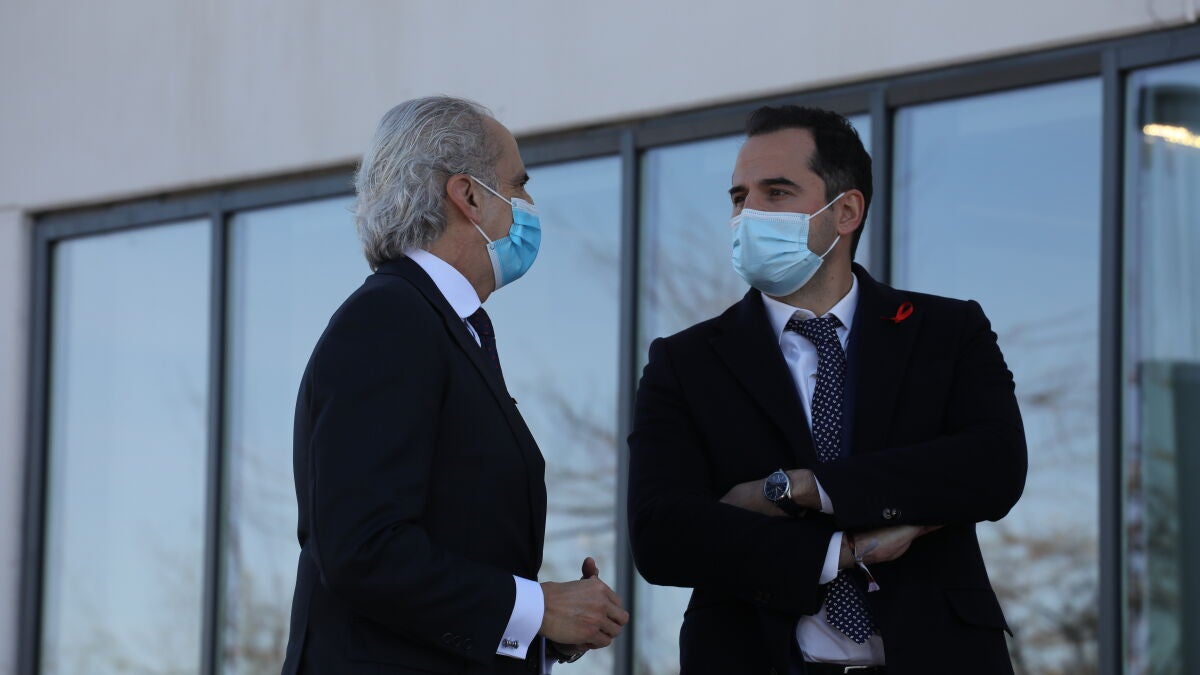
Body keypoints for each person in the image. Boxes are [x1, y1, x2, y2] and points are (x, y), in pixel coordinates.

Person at [627, 105, 1027, 675]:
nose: (748, 213)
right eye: (739, 197)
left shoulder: (946, 331)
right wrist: (841, 551)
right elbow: (661, 534)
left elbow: (993, 466)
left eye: (776, 192)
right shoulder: (686, 361)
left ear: (845, 211)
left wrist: (801, 488)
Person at [282, 96, 628, 674]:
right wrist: (536, 608)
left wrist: (546, 627)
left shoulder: (442, 324)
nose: (527, 206)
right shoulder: (390, 319)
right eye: (517, 185)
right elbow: (362, 548)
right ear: (468, 195)